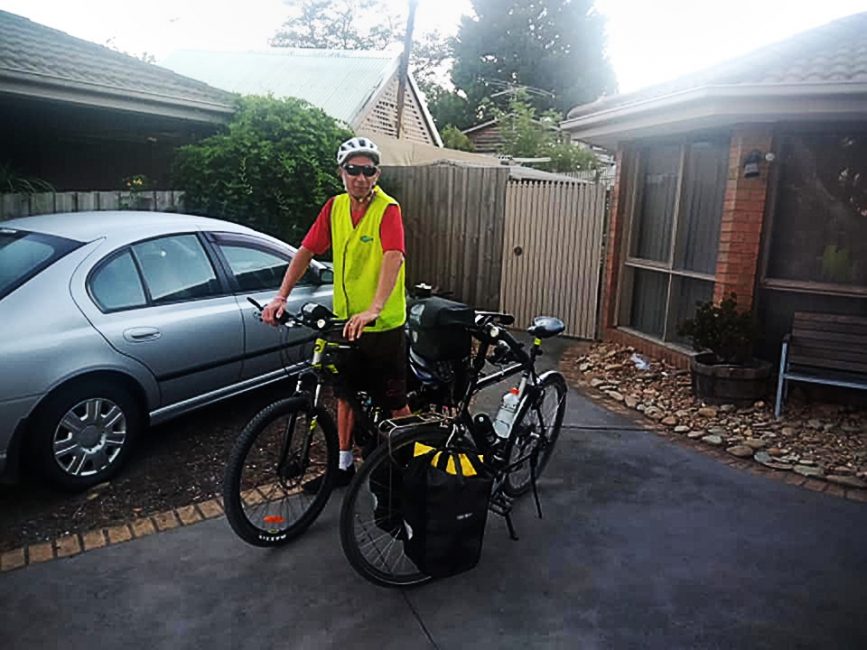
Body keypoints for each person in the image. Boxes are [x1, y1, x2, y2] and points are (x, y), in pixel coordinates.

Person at [262, 136, 411, 488]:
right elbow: (306, 250)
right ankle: (343, 467)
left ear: (377, 174)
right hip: (346, 323)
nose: (360, 177)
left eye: (368, 170)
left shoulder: (388, 209)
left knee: (395, 403)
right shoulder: (334, 207)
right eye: (352, 170)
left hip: (383, 325)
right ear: (340, 172)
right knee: (344, 393)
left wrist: (375, 308)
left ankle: (410, 468)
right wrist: (280, 297)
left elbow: (394, 256)